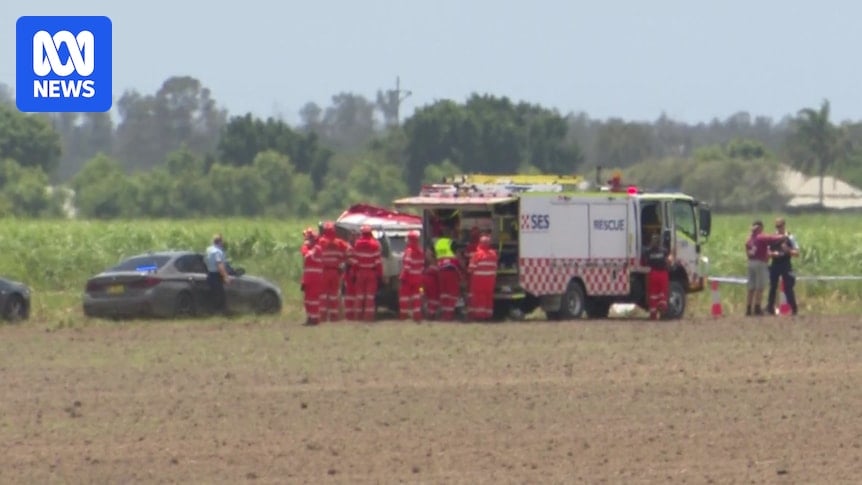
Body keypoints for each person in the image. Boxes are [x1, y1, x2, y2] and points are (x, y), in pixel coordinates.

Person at [744, 220, 787, 316]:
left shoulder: (749, 239)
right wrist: (784, 235)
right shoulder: (761, 237)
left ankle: (748, 308)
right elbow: (773, 239)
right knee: (760, 287)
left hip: (751, 263)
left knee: (751, 287)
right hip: (760, 263)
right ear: (760, 228)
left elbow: (747, 253)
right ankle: (757, 307)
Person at [317, 221, 351, 322]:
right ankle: (334, 317)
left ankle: (323, 316)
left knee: (323, 295)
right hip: (336, 273)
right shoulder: (339, 242)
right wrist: (343, 259)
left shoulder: (321, 241)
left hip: (324, 272)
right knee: (334, 295)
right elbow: (349, 249)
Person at [766, 217, 800, 315]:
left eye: (780, 226)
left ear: (784, 225)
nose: (778, 228)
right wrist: (772, 254)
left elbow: (797, 253)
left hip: (785, 264)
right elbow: (767, 251)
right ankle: (770, 308)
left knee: (788, 287)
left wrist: (788, 250)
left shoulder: (790, 237)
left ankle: (793, 308)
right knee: (773, 287)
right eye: (776, 226)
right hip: (775, 263)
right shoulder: (772, 237)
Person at [350, 225, 383, 321]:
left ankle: (357, 316)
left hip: (360, 272)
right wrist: (379, 275)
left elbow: (355, 261)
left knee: (359, 295)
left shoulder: (357, 244)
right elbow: (378, 262)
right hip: (371, 273)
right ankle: (368, 317)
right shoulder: (375, 245)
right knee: (369, 297)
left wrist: (354, 273)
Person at [641, 233, 673, 320]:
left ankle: (653, 315)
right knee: (663, 294)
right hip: (663, 274)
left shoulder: (648, 252)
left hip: (653, 274)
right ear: (660, 242)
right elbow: (669, 259)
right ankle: (663, 313)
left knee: (653, 295)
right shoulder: (664, 251)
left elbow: (644, 260)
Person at [434, 227, 463, 321]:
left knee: (444, 293)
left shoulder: (437, 243)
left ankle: (444, 314)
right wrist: (464, 268)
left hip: (441, 270)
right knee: (453, 294)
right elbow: (458, 257)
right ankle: (449, 315)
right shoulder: (452, 243)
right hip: (451, 269)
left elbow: (433, 256)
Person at [467, 235, 498, 321]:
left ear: (480, 243)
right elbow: (495, 267)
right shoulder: (493, 254)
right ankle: (488, 316)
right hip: (490, 282)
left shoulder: (477, 255)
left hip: (478, 282)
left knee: (479, 298)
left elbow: (470, 269)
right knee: (488, 298)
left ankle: (480, 316)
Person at [399, 230, 425, 322]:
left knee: (404, 297)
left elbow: (407, 266)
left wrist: (403, 277)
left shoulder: (409, 251)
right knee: (417, 297)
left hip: (408, 278)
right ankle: (417, 316)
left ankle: (404, 315)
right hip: (418, 279)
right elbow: (422, 266)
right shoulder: (420, 251)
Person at [205, 233, 231, 315]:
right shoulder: (217, 252)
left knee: (213, 294)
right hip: (216, 275)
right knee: (219, 294)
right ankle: (218, 312)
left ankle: (212, 311)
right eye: (222, 241)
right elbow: (219, 265)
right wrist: (225, 276)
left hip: (209, 274)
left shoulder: (209, 250)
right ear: (220, 242)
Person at [301, 238, 323, 325]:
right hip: (308, 279)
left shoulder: (317, 249)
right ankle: (310, 317)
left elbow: (307, 255)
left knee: (313, 300)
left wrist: (305, 246)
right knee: (307, 300)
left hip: (314, 280)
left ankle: (314, 319)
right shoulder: (313, 249)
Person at [342, 233, 358, 320]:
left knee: (355, 295)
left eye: (355, 236)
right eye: (352, 236)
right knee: (349, 295)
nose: (354, 238)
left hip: (356, 273)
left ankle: (355, 314)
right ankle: (349, 314)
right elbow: (346, 259)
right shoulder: (348, 247)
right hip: (349, 273)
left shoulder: (358, 246)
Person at [422, 250, 440, 320]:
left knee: (423, 296)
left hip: (423, 284)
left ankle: (426, 312)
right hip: (431, 285)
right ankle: (431, 313)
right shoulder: (435, 267)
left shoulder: (427, 268)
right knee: (433, 299)